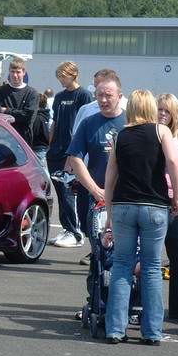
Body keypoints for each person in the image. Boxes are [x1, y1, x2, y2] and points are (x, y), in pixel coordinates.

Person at [104, 90, 178, 345]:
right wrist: (177, 196)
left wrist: (109, 212)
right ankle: (151, 332)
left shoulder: (119, 136)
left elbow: (110, 178)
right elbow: (172, 160)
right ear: (150, 107)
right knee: (150, 268)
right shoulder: (161, 132)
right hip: (154, 205)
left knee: (122, 265)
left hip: (125, 205)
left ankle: (115, 329)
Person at [67, 72, 126, 257]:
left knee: (124, 249)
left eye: (108, 95)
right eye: (100, 95)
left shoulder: (130, 123)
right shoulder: (88, 123)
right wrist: (94, 189)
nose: (103, 99)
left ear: (120, 97)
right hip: (96, 195)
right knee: (97, 244)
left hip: (126, 195)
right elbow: (75, 157)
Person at [47, 61, 93, 248]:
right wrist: (50, 145)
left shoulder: (84, 95)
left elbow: (85, 123)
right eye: (59, 77)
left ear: (73, 75)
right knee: (60, 191)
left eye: (63, 76)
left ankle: (77, 232)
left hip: (73, 151)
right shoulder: (59, 97)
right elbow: (54, 123)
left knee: (71, 192)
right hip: (56, 150)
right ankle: (68, 228)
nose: (61, 80)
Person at [157, 93, 178, 320]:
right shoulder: (151, 135)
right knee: (148, 259)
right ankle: (142, 308)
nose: (163, 114)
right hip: (155, 200)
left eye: (167, 111)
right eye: (160, 109)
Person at [0, 58, 39, 145]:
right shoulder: (0, 92)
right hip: (2, 139)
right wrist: (19, 114)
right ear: (9, 72)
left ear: (24, 73)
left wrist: (6, 110)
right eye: (12, 72)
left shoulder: (32, 93)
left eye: (18, 72)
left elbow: (27, 116)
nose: (15, 75)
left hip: (23, 140)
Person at [31, 93, 52, 170]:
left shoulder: (37, 118)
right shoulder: (45, 116)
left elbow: (34, 134)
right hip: (44, 149)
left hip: (37, 149)